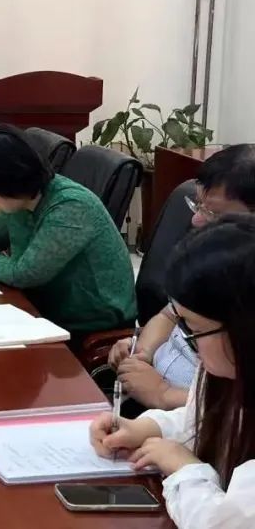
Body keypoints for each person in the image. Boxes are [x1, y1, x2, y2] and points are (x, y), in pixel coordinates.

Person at [90, 216, 255, 528]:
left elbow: (223, 524)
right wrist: (147, 428)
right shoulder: (227, 372)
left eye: (194, 329)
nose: (188, 343)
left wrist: (184, 468)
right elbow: (204, 417)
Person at [0, 124, 135, 337]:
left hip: (88, 322)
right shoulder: (24, 198)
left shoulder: (71, 207)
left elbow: (23, 274)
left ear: (8, 183)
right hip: (42, 306)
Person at [107, 144, 255, 412]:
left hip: (194, 416)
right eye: (198, 205)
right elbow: (170, 314)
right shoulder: (212, 257)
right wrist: (142, 353)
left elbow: (237, 405)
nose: (196, 220)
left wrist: (163, 393)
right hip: (155, 403)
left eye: (213, 213)